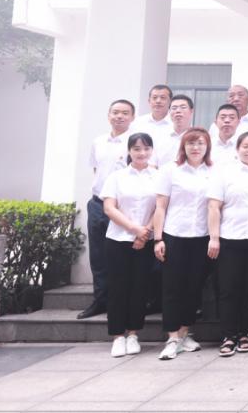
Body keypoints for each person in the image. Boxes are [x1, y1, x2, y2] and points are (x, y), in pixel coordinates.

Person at [151, 127, 213, 360]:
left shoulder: (214, 171)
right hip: (174, 235)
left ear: (207, 147)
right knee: (172, 288)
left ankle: (185, 333)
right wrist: (158, 238)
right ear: (183, 147)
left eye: (200, 143)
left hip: (202, 236)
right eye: (191, 143)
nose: (196, 148)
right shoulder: (170, 170)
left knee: (194, 288)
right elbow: (160, 206)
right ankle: (172, 337)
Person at [207, 132, 248, 357]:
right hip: (229, 238)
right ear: (238, 149)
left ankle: (245, 333)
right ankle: (228, 335)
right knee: (228, 289)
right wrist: (214, 237)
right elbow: (214, 207)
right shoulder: (224, 173)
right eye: (245, 146)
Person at [101, 133, 158, 357]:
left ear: (151, 150)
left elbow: (160, 208)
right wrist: (134, 229)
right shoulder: (117, 177)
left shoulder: (158, 176)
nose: (141, 153)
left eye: (146, 148)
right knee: (117, 288)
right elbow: (109, 208)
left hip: (145, 240)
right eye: (136, 149)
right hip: (118, 239)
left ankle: (133, 334)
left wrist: (144, 234)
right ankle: (117, 336)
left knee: (139, 288)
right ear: (129, 151)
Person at [82, 99, 136, 320]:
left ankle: (123, 302)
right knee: (98, 255)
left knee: (124, 256)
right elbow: (96, 170)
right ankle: (100, 300)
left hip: (123, 209)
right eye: (115, 112)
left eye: (125, 113)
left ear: (132, 117)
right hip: (98, 204)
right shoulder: (98, 142)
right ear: (108, 115)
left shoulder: (135, 143)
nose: (119, 116)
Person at [154, 95, 196, 169]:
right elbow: (152, 163)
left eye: (183, 107)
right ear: (169, 112)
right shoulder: (158, 136)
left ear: (191, 111)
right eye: (174, 108)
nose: (178, 111)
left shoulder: (198, 137)